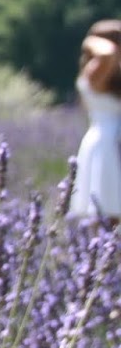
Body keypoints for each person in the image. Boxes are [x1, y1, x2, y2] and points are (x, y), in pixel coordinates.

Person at [71, 19, 121, 225]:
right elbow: (107, 53)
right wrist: (91, 40)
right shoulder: (97, 68)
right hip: (107, 143)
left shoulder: (111, 75)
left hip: (109, 140)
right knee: (106, 214)